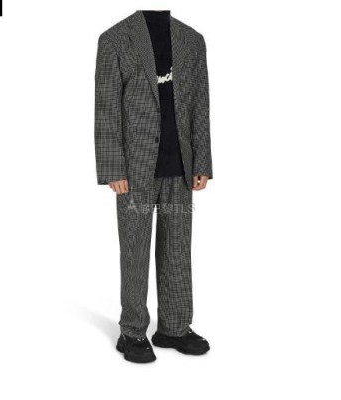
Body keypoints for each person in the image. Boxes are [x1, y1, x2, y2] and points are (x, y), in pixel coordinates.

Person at [94, 10, 213, 363]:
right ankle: (132, 331)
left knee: (177, 249)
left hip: (181, 166)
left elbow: (201, 104)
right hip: (134, 169)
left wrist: (202, 162)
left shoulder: (192, 40)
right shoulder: (114, 40)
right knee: (135, 250)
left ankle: (174, 327)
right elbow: (106, 108)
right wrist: (113, 167)